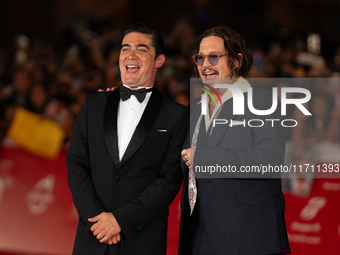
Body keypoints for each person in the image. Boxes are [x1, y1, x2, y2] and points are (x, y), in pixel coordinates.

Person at [66, 23, 188, 255]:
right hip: (93, 237)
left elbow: (169, 180)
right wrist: (98, 222)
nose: (131, 55)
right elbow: (76, 163)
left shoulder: (177, 115)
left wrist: (120, 220)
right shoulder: (93, 105)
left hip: (142, 241)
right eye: (125, 49)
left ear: (159, 60)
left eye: (141, 49)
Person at [179, 26, 291, 255]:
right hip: (201, 238)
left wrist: (205, 158)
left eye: (214, 57)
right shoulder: (195, 109)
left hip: (250, 237)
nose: (205, 64)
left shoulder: (262, 101)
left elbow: (269, 160)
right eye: (200, 58)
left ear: (237, 61)